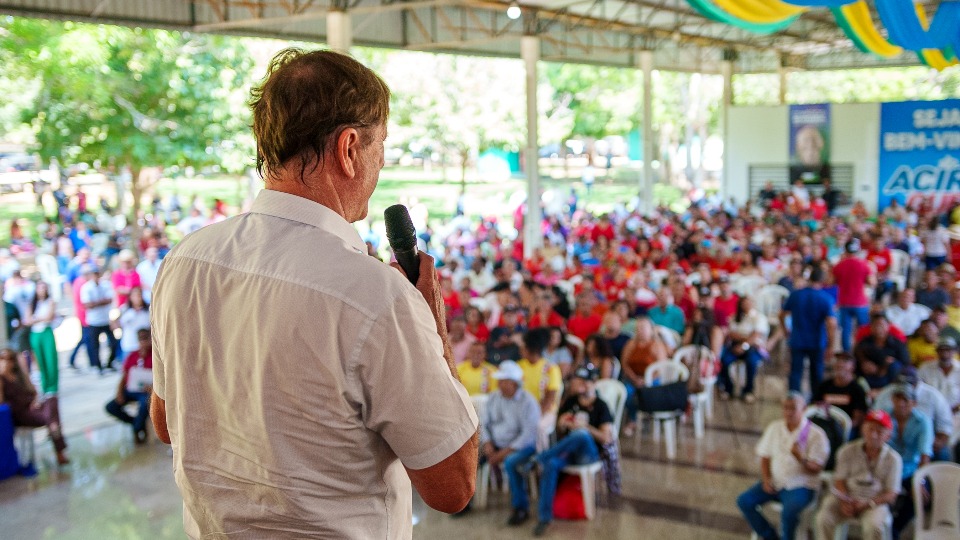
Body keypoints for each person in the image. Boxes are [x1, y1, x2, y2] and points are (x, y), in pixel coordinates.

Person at [150, 49, 478, 538]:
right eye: (380, 146)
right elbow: (452, 485)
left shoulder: (185, 261)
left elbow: (166, 423)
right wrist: (435, 332)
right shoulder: (376, 296)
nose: (381, 164)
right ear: (349, 148)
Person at [524, 366, 614, 537]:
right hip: (567, 452)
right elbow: (559, 431)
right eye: (579, 381)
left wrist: (586, 427)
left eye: (586, 382)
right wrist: (562, 424)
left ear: (594, 383)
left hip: (589, 454)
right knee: (551, 464)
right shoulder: (571, 401)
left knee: (581, 434)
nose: (581, 385)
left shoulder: (601, 406)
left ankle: (539, 458)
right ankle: (544, 517)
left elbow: (606, 438)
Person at [736, 392, 829, 540]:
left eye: (793, 408)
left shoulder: (816, 434)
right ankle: (770, 536)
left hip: (801, 484)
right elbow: (765, 456)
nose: (788, 412)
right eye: (785, 408)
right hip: (776, 481)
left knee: (789, 512)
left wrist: (801, 458)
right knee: (744, 501)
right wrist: (766, 479)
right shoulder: (775, 427)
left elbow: (817, 469)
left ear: (804, 409)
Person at [815, 410, 902, 540]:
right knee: (823, 518)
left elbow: (891, 494)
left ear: (888, 436)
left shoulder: (893, 459)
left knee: (874, 526)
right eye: (870, 429)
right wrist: (844, 501)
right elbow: (839, 480)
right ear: (863, 429)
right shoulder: (847, 450)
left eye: (879, 431)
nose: (873, 435)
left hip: (874, 502)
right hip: (847, 497)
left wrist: (868, 504)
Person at [476, 360, 540, 521]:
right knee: (470, 456)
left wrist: (503, 453)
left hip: (521, 447)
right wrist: (487, 443)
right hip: (495, 444)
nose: (500, 384)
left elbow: (528, 435)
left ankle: (521, 508)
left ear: (514, 383)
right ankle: (465, 500)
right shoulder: (493, 397)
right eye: (500, 380)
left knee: (511, 463)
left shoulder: (528, 402)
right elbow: (483, 423)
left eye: (504, 381)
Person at [0, 348, 68, 465]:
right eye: (2, 359)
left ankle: (52, 426)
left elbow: (34, 392)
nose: (6, 362)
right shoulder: (2, 380)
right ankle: (58, 446)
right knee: (52, 419)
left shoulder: (20, 376)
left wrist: (35, 401)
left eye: (9, 359)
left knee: (52, 399)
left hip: (33, 407)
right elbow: (1, 402)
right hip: (21, 413)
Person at [885, 385, 934, 539]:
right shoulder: (885, 417)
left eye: (905, 400)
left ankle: (895, 528)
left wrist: (920, 481)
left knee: (921, 493)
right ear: (892, 400)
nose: (901, 404)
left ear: (913, 403)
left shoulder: (922, 421)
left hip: (911, 469)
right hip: (887, 467)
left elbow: (925, 454)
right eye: (898, 399)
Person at [781, 267, 838, 394]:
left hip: (797, 339)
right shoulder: (825, 298)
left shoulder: (796, 295)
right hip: (817, 341)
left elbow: (782, 314)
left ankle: (794, 398)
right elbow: (831, 323)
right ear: (822, 280)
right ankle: (816, 399)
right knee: (816, 373)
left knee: (795, 372)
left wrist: (786, 330)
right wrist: (831, 345)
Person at [104, 328, 154, 444]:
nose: (143, 342)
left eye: (145, 339)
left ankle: (137, 428)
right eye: (141, 339)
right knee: (111, 407)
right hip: (131, 389)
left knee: (144, 403)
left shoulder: (155, 356)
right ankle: (136, 424)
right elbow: (124, 376)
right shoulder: (132, 356)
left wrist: (152, 389)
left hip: (147, 391)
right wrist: (119, 392)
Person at [719, 296, 769, 403]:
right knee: (725, 360)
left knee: (751, 362)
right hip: (736, 346)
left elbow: (756, 335)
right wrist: (747, 337)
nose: (746, 305)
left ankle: (748, 390)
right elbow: (731, 334)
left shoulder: (759, 318)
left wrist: (744, 344)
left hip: (753, 348)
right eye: (744, 303)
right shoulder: (734, 317)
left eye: (748, 303)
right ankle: (728, 388)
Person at [834, 238, 876, 351]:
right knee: (864, 329)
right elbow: (872, 282)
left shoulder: (839, 265)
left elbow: (832, 281)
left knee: (845, 330)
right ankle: (863, 351)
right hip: (860, 302)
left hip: (844, 301)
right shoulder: (864, 265)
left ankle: (846, 353)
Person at [813, 352, 868, 432]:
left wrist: (843, 428)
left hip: (847, 429)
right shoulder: (824, 386)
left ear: (853, 367)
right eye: (838, 360)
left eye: (845, 361)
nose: (840, 364)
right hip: (825, 426)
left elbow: (858, 419)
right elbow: (814, 407)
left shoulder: (857, 389)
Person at [80, 265, 119, 373]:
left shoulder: (106, 284)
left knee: (114, 343)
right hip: (94, 321)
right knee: (95, 345)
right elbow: (87, 304)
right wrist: (101, 302)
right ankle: (97, 365)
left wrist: (96, 303)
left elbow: (110, 299)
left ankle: (109, 363)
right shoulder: (86, 287)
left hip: (105, 319)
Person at [25, 281, 59, 395]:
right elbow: (28, 320)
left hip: (46, 332)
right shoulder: (32, 304)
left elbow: (49, 317)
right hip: (35, 333)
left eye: (44, 288)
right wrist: (39, 319)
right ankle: (45, 386)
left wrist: (36, 319)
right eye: (40, 288)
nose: (42, 290)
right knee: (40, 361)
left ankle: (52, 387)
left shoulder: (50, 302)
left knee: (50, 359)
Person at [917, 336, 960, 414]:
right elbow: (918, 390)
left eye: (948, 350)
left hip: (956, 413)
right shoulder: (925, 368)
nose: (945, 353)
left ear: (954, 351)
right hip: (930, 413)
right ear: (937, 351)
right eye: (941, 350)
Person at [111, 286, 150, 361]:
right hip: (129, 345)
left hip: (145, 346)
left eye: (139, 295)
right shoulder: (125, 309)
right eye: (134, 295)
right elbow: (114, 325)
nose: (137, 298)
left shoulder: (148, 310)